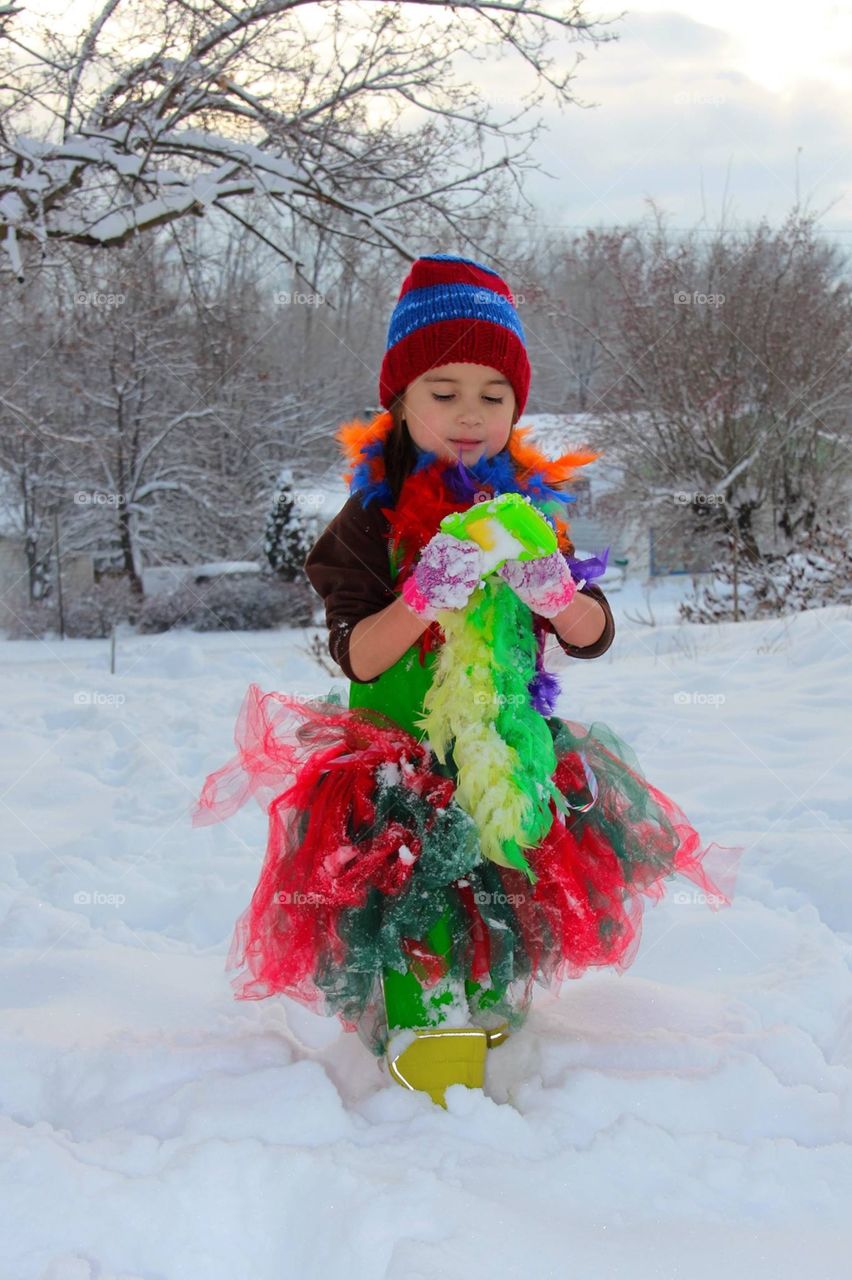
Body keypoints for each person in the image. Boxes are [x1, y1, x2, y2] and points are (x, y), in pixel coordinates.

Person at [192, 254, 742, 1107]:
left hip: (507, 755)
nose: (470, 413)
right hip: (398, 761)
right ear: (400, 401)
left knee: (500, 890)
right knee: (414, 893)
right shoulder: (369, 520)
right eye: (443, 391)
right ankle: (423, 1029)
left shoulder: (528, 514)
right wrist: (422, 597)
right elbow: (361, 655)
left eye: (494, 394)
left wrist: (556, 595)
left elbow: (593, 633)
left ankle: (492, 1017)